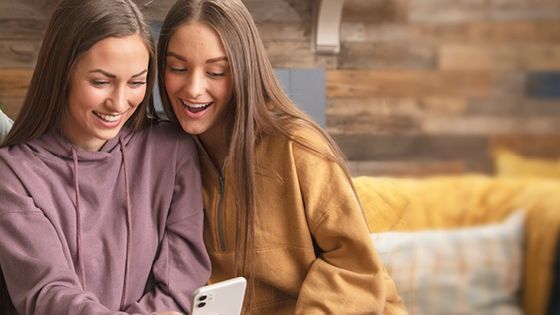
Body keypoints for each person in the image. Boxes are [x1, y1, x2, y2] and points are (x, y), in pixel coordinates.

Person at [156, 0, 408, 313]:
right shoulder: (170, 155)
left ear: (245, 72)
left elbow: (355, 267)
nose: (194, 88)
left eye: (217, 72)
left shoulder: (297, 146)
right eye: (178, 68)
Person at [0, 0, 210, 314]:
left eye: (137, 82)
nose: (119, 102)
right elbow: (47, 292)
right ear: (62, 73)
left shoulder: (173, 150)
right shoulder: (14, 172)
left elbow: (182, 283)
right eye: (100, 82)